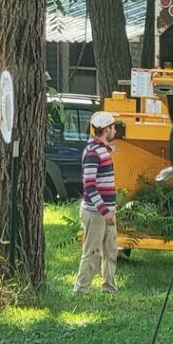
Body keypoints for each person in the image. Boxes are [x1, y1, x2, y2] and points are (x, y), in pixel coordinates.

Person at [74, 111, 118, 294]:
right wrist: (104, 210)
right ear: (107, 129)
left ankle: (109, 287)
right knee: (92, 251)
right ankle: (81, 289)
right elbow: (90, 186)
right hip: (96, 211)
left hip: (107, 210)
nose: (115, 130)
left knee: (111, 249)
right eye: (113, 127)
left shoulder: (100, 149)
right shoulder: (93, 153)